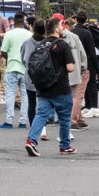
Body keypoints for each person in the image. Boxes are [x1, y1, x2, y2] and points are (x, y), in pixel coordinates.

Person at [24, 15, 76, 156]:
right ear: (56, 29)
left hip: (43, 86)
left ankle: (31, 140)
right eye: (61, 26)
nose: (62, 28)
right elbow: (70, 67)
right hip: (60, 87)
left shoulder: (40, 44)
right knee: (64, 117)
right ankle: (64, 145)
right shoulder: (62, 44)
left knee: (41, 114)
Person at [0, 13, 31, 129]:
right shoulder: (30, 35)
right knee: (25, 95)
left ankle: (9, 120)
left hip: (12, 66)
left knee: (10, 94)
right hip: (25, 68)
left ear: (14, 22)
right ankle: (23, 121)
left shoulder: (9, 34)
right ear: (24, 22)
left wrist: (10, 58)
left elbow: (3, 51)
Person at [61, 15, 88, 131]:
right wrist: (83, 68)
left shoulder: (50, 39)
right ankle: (72, 121)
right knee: (75, 97)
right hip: (74, 71)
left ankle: (57, 120)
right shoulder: (75, 37)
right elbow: (83, 54)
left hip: (58, 74)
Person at [72, 11, 99, 116]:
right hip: (87, 62)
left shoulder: (71, 32)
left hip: (74, 62)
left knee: (77, 87)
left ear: (76, 19)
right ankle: (93, 106)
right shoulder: (87, 33)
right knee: (91, 83)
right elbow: (91, 52)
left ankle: (87, 106)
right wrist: (98, 69)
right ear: (86, 20)